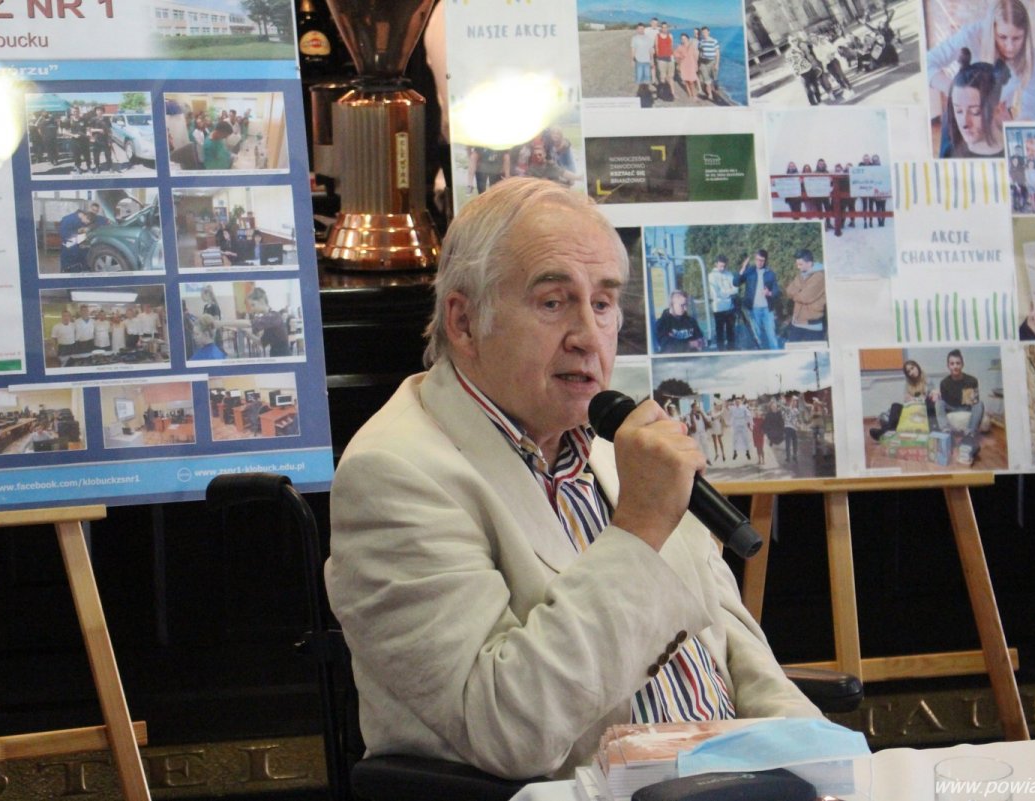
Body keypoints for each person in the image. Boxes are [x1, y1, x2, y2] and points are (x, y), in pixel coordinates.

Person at [324, 178, 822, 780]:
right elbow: (508, 727)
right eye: (554, 302)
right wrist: (639, 529)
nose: (588, 336)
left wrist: (815, 761)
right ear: (464, 322)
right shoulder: (395, 474)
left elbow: (743, 660)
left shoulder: (619, 441)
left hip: (730, 780)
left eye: (603, 304)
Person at [927, 0, 1035, 157]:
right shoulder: (970, 36)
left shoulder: (1032, 58)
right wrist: (955, 90)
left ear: (1025, 35)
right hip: (961, 117)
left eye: (1016, 38)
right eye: (1002, 37)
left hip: (998, 119)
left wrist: (1014, 127)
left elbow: (1031, 110)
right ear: (991, 30)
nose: (1009, 46)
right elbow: (928, 62)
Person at [942, 49, 1010, 158]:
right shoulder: (949, 151)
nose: (964, 123)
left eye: (975, 112)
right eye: (958, 111)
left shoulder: (1012, 152)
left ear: (997, 108)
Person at [937, 349, 984, 461]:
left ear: (962, 364)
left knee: (979, 404)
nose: (955, 366)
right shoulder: (944, 383)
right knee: (939, 402)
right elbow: (945, 402)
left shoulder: (971, 380)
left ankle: (969, 434)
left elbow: (973, 402)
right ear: (948, 366)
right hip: (951, 407)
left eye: (958, 363)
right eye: (952, 363)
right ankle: (947, 432)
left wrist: (969, 398)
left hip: (966, 406)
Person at [734, 249, 781, 350]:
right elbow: (736, 283)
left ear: (765, 261)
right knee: (758, 336)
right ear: (755, 259)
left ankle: (776, 355)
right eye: (757, 259)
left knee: (771, 335)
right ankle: (762, 354)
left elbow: (776, 291)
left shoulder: (770, 273)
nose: (759, 262)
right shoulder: (749, 271)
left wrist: (769, 293)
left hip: (767, 309)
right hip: (754, 309)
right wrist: (743, 268)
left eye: (762, 260)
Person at [784, 249, 827, 343]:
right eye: (797, 264)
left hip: (812, 326)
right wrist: (800, 291)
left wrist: (798, 291)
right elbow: (788, 291)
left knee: (814, 352)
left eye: (800, 264)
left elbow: (804, 297)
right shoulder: (801, 275)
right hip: (797, 323)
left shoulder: (820, 276)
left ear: (809, 263)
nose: (798, 267)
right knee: (792, 350)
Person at [247, 287, 291, 357]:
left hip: (283, 356)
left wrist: (226, 323)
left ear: (261, 301)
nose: (252, 309)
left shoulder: (274, 315)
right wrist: (249, 334)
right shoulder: (267, 319)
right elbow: (262, 343)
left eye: (253, 305)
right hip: (274, 354)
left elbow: (249, 323)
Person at [706, 256, 737, 351]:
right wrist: (729, 292)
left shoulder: (729, 274)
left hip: (730, 307)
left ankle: (731, 351)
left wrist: (725, 292)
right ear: (716, 264)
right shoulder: (712, 275)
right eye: (720, 266)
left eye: (724, 266)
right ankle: (721, 351)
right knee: (720, 331)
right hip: (718, 308)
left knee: (730, 330)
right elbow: (716, 293)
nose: (722, 268)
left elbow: (736, 289)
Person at [673, 32, 700, 100]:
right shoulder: (680, 47)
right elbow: (675, 54)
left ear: (688, 39)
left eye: (684, 38)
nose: (683, 40)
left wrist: (696, 65)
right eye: (682, 39)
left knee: (691, 81)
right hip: (683, 65)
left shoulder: (692, 46)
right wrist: (680, 56)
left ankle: (694, 95)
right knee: (686, 81)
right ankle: (689, 94)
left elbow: (695, 56)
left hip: (691, 65)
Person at [697, 25, 721, 102]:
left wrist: (717, 64)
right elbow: (700, 52)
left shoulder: (714, 41)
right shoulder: (701, 42)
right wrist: (698, 63)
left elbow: (717, 53)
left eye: (705, 32)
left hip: (712, 62)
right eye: (703, 32)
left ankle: (716, 94)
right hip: (703, 63)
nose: (704, 33)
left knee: (715, 80)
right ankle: (710, 95)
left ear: (709, 32)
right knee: (706, 81)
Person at [630, 23, 654, 96]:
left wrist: (652, 60)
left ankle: (646, 91)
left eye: (642, 28)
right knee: (639, 77)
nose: (641, 30)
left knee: (647, 77)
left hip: (647, 60)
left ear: (644, 29)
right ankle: (640, 92)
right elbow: (633, 50)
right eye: (639, 29)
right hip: (638, 61)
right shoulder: (634, 38)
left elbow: (651, 50)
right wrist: (632, 60)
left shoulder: (648, 38)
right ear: (637, 29)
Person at [727, 395, 752, 461]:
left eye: (738, 401)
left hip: (743, 424)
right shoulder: (733, 408)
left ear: (740, 402)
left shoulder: (743, 407)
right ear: (735, 402)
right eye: (736, 401)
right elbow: (729, 414)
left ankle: (747, 452)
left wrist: (748, 421)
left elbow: (748, 414)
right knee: (735, 439)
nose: (737, 402)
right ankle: (735, 452)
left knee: (745, 438)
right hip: (736, 424)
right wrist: (729, 423)